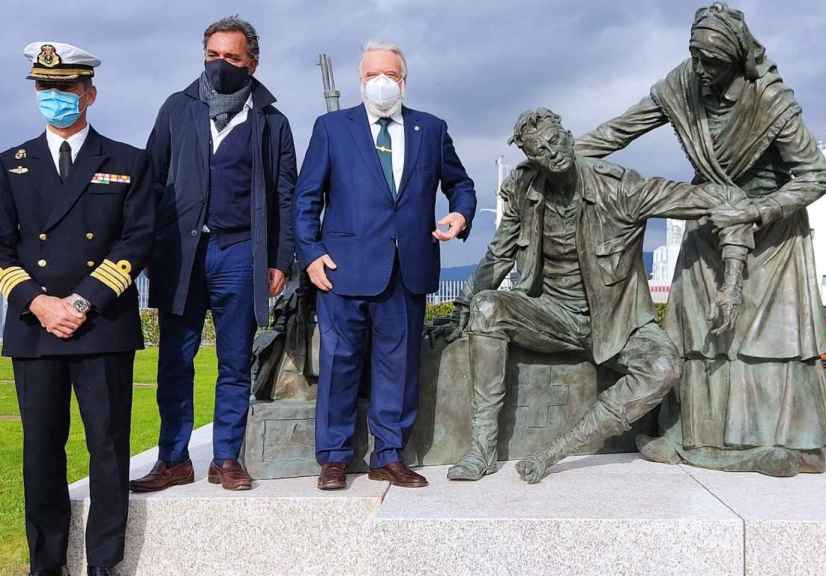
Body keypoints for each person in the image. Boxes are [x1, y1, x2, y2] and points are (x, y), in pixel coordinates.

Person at [575, 1, 826, 476]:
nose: (700, 69)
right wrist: (561, 159)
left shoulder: (771, 101)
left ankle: (786, 441)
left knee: (764, 342)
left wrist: (759, 209)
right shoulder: (683, 84)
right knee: (694, 334)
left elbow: (817, 176)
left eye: (710, 61)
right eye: (695, 56)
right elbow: (620, 130)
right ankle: (690, 434)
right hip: (707, 223)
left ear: (736, 58)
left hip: (771, 232)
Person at [446, 109, 753, 484]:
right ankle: (482, 448)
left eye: (555, 141)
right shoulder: (524, 190)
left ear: (569, 136)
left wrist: (734, 273)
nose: (552, 153)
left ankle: (555, 451)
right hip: (552, 314)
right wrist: (464, 303)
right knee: (488, 307)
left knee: (663, 367)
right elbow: (499, 255)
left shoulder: (621, 188)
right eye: (539, 150)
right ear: (531, 158)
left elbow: (719, 199)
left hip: (617, 322)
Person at [1, 42, 156, 576]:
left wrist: (82, 301)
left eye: (65, 88)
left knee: (108, 452)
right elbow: (0, 248)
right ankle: (45, 566)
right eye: (45, 88)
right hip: (35, 328)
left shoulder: (128, 161)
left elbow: (137, 242)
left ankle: (103, 565)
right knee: (41, 453)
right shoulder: (10, 165)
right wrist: (39, 303)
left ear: (89, 93)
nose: (54, 97)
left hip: (102, 326)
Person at [294, 41, 477, 490]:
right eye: (373, 74)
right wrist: (312, 253)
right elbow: (306, 198)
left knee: (398, 369)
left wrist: (460, 214)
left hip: (406, 269)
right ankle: (334, 458)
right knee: (339, 364)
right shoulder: (332, 129)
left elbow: (461, 184)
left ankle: (389, 455)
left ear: (403, 81)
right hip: (341, 271)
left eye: (390, 75)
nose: (381, 82)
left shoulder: (430, 130)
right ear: (361, 81)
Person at [131, 16, 297, 493]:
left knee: (233, 361)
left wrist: (280, 260)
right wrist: (143, 249)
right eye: (213, 56)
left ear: (252, 62)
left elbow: (286, 193)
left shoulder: (271, 122)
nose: (220, 65)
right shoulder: (176, 109)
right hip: (180, 255)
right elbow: (150, 180)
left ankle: (226, 457)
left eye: (231, 57)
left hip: (240, 252)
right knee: (175, 361)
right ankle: (173, 459)